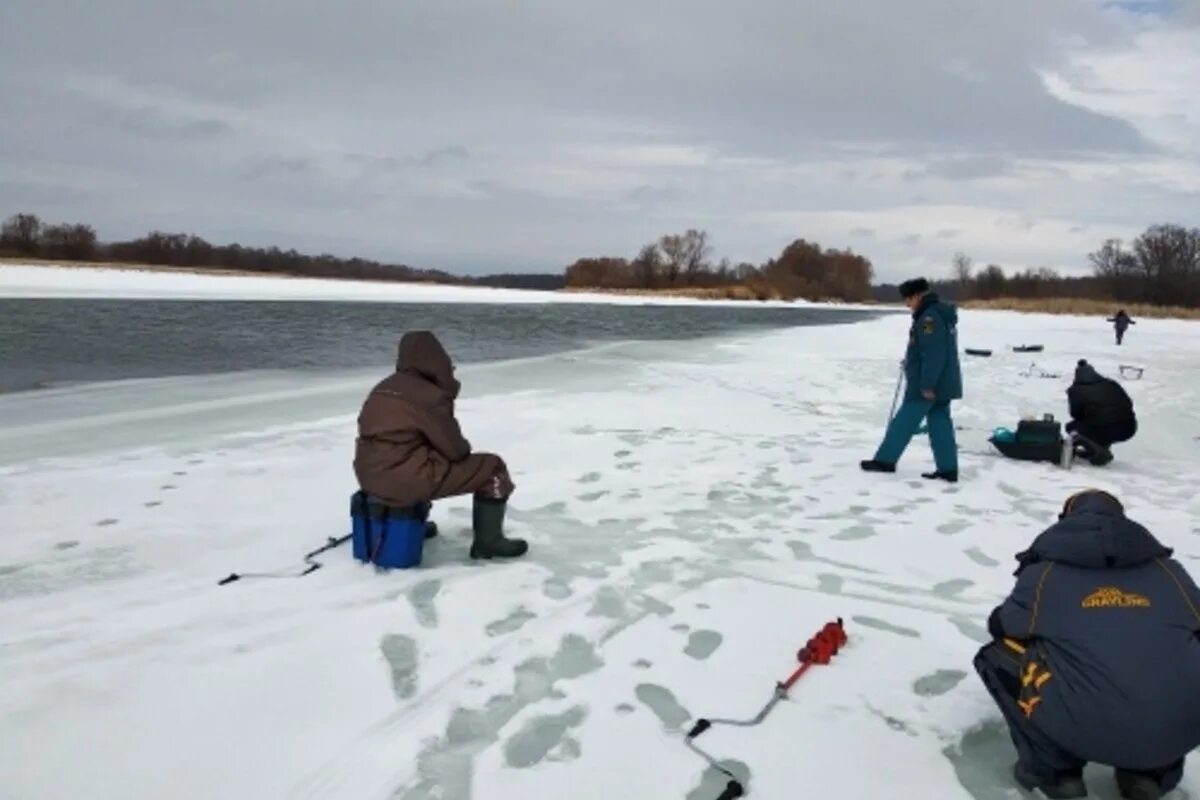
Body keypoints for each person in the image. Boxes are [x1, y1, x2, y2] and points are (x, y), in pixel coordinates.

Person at [974, 490, 1200, 800]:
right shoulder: (1170, 572)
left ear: (1066, 522)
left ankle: (1055, 772)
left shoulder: (1046, 573)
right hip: (1178, 733)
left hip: (1088, 725)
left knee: (997, 655)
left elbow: (1002, 626)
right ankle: (1152, 772)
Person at [354, 331, 528, 560]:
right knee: (492, 468)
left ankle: (409, 524)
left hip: (368, 477)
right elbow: (456, 451)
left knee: (416, 457)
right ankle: (489, 542)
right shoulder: (429, 395)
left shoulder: (384, 386)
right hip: (403, 480)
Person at [861, 277, 962, 482]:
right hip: (942, 382)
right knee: (939, 423)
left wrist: (927, 384)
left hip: (927, 386)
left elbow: (934, 354)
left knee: (903, 423)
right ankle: (948, 469)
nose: (907, 304)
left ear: (917, 296)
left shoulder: (929, 319)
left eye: (908, 299)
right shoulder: (937, 315)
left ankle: (885, 460)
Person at [1066, 359, 1136, 466]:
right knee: (1101, 424)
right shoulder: (1112, 384)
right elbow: (1128, 403)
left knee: (1072, 428)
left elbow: (1076, 414)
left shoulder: (1076, 390)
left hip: (1106, 429)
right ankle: (1100, 448)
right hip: (1129, 428)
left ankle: (1099, 451)